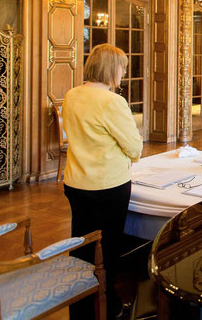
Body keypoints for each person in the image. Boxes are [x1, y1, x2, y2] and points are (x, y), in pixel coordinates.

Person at [61, 44, 143, 318]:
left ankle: (80, 307)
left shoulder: (71, 95)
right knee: (109, 250)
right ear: (111, 68)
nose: (124, 71)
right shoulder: (112, 101)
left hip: (75, 182)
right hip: (108, 185)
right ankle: (109, 307)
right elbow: (134, 147)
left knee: (81, 246)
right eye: (122, 66)